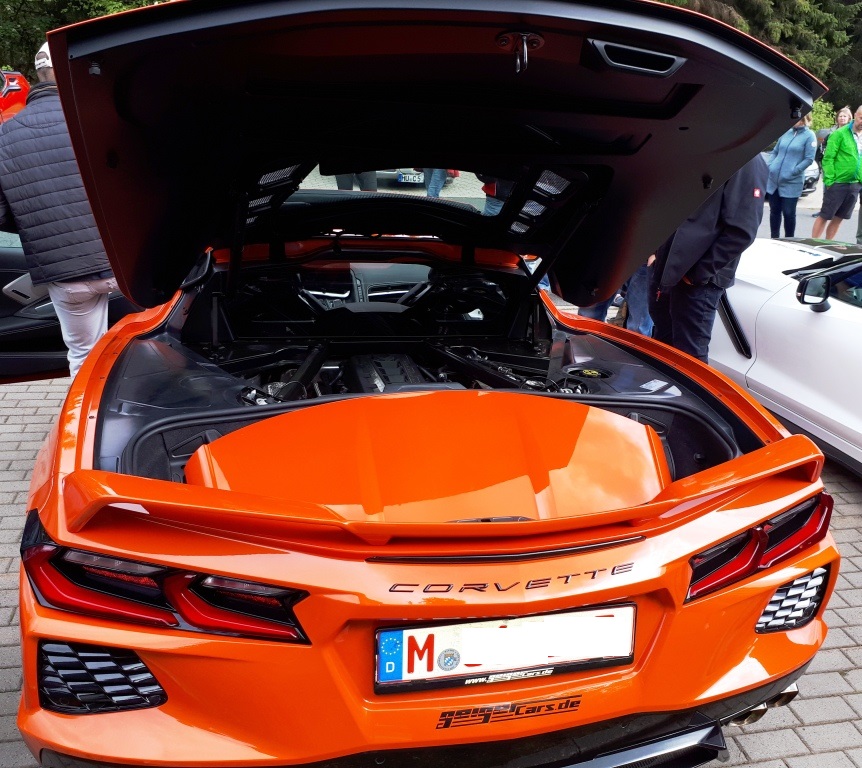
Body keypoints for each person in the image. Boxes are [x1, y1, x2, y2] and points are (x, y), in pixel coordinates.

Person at [0, 42, 117, 377]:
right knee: (152, 338)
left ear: (38, 75)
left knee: (83, 356)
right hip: (123, 267)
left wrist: (38, 219)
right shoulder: (98, 117)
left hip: (67, 276)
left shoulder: (5, 135)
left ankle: (89, 409)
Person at [649, 154, 767, 363]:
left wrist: (697, 274)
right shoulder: (705, 148)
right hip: (667, 268)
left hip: (697, 280)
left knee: (689, 357)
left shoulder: (747, 159)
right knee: (662, 348)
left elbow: (742, 231)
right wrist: (656, 252)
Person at [813, 105, 862, 241]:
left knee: (839, 217)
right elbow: (828, 158)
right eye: (861, 118)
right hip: (838, 182)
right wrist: (830, 181)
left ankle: (828, 244)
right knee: (825, 215)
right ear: (855, 115)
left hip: (855, 183)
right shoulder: (839, 134)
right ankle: (813, 243)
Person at [766, 114, 816, 238]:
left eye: (798, 119)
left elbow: (809, 159)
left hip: (792, 182)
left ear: (805, 119)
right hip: (774, 180)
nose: (794, 121)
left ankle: (789, 239)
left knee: (788, 213)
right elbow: (775, 151)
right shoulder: (786, 133)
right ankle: (774, 238)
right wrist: (771, 165)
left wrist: (793, 172)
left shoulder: (809, 136)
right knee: (774, 211)